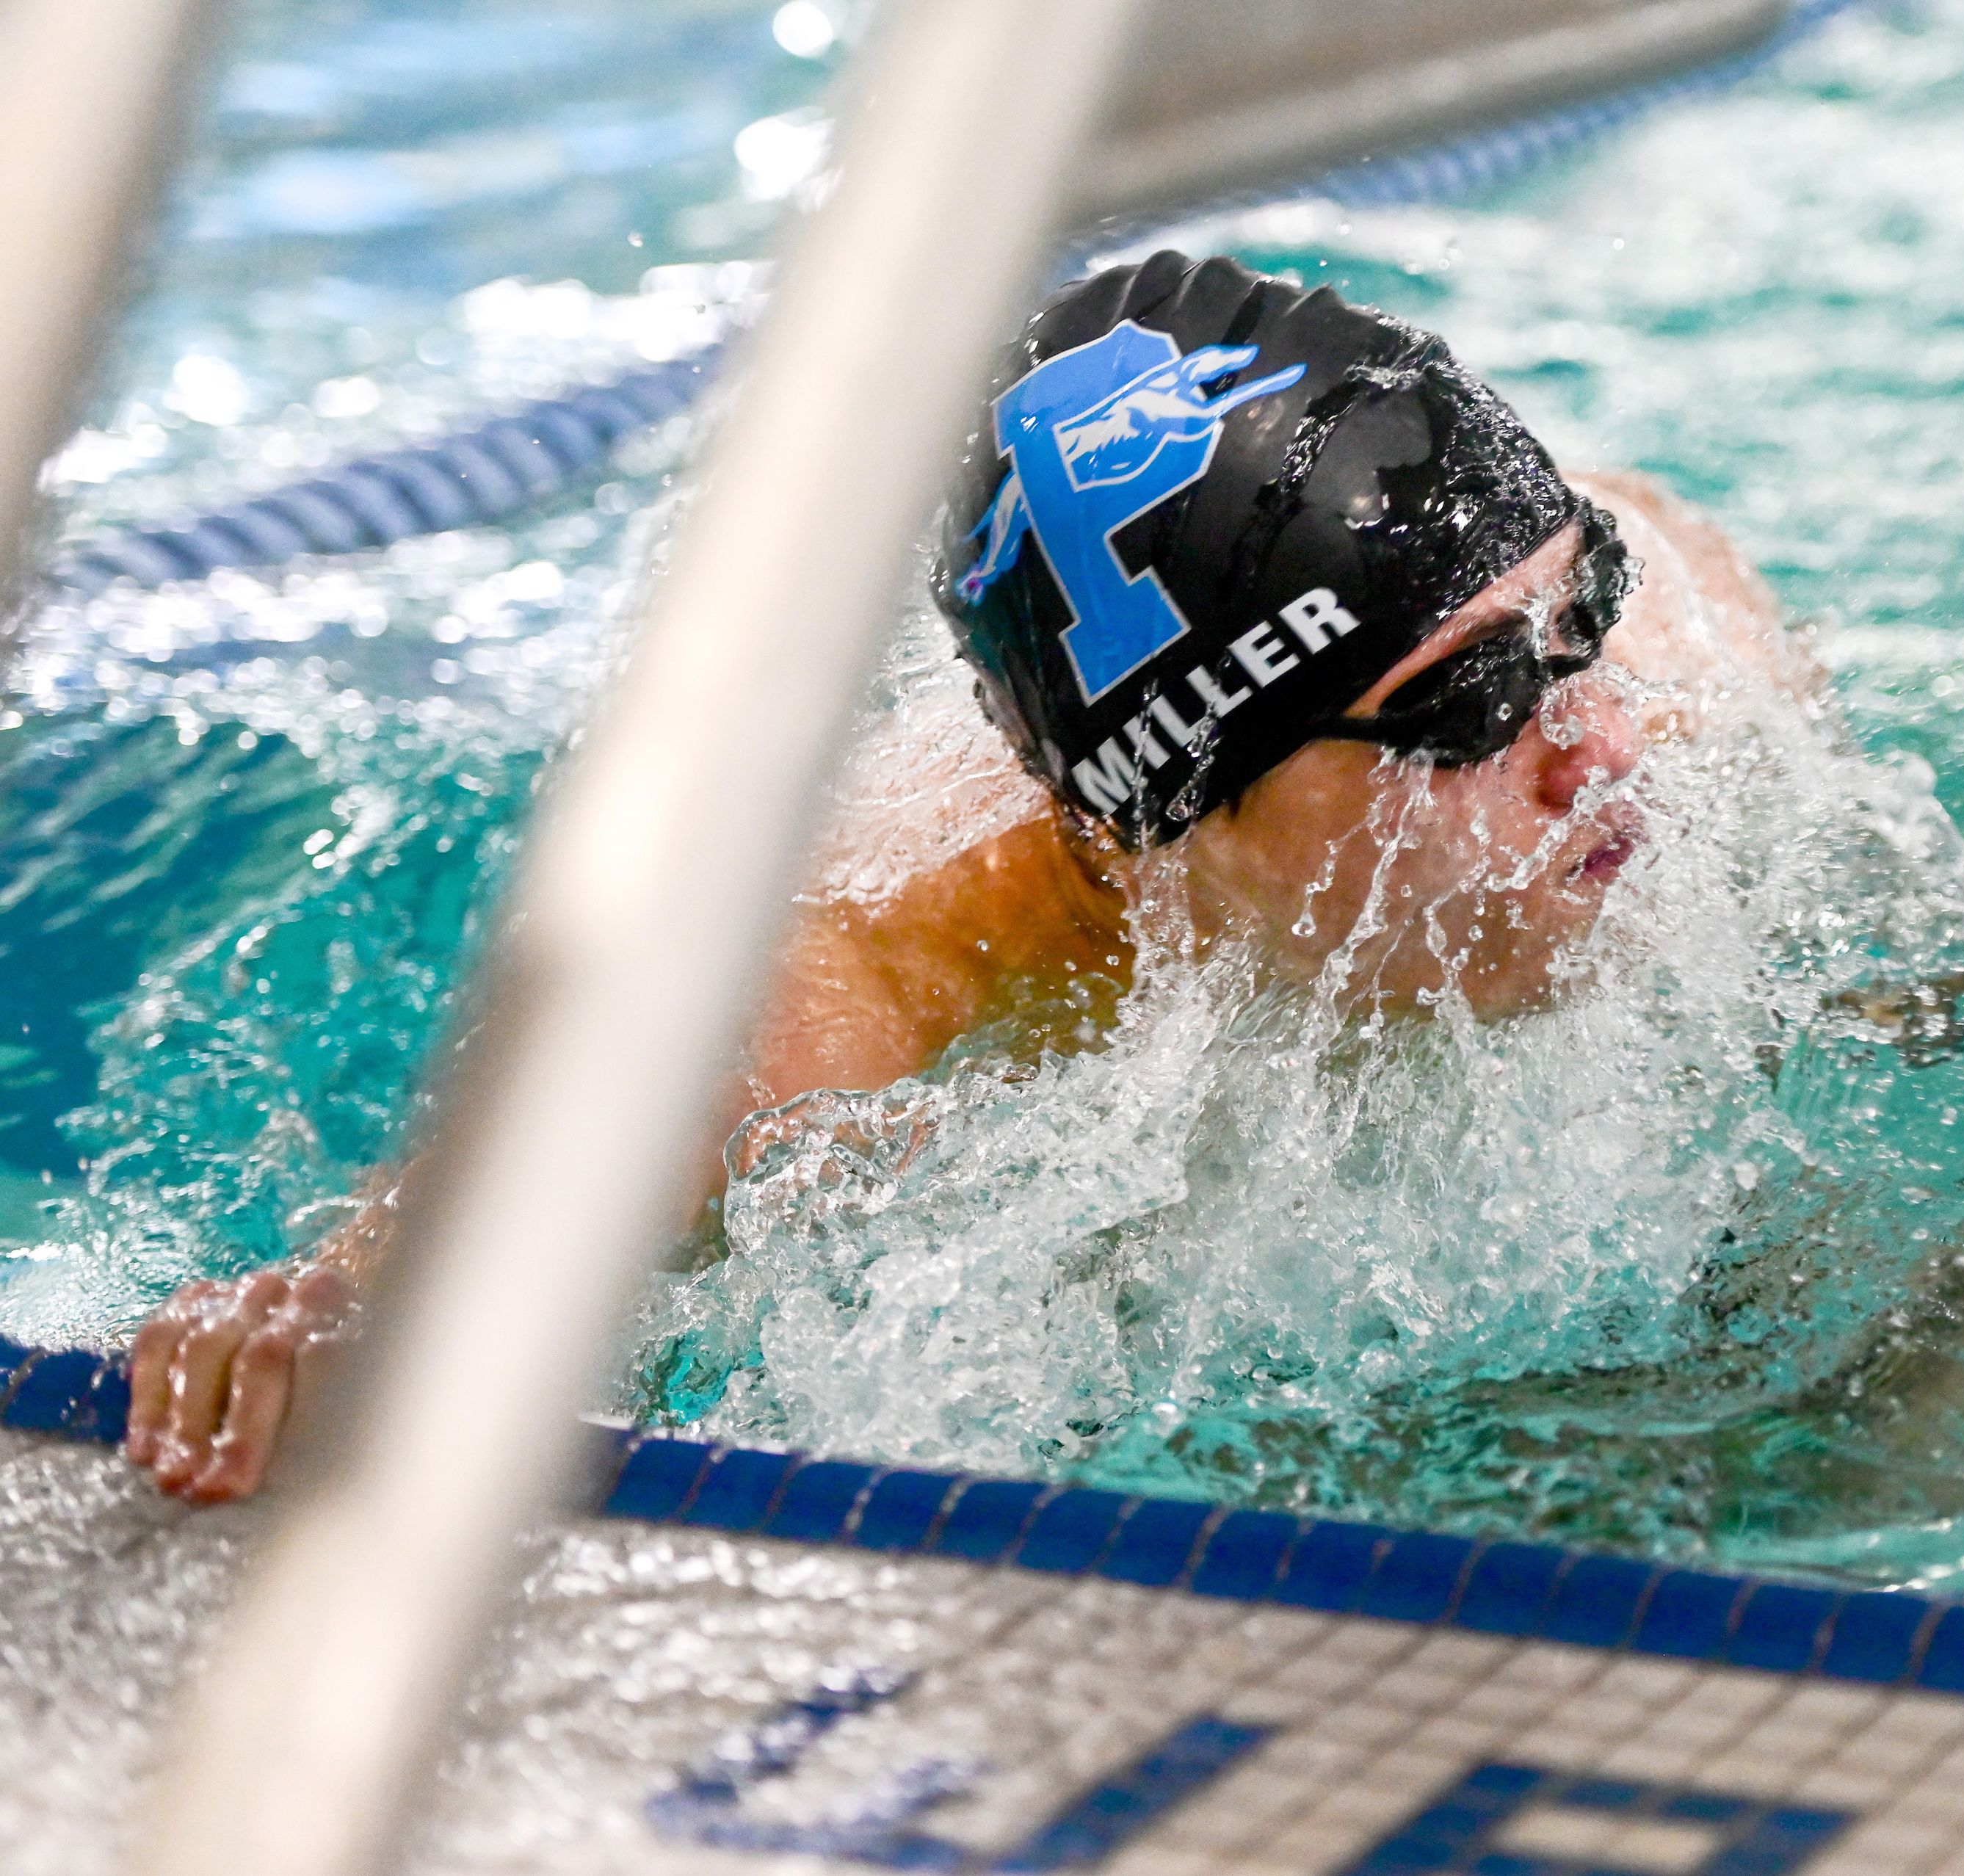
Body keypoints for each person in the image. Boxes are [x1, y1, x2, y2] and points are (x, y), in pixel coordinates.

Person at [120, 251, 1817, 1504]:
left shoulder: (1687, 643)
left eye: (1573, 609)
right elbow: (423, 1285)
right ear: (1168, 826)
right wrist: (322, 1331)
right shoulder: (836, 984)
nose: (1599, 738)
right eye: (1465, 706)